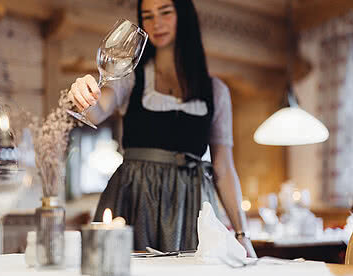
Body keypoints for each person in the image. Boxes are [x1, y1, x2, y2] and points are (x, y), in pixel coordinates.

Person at [68, 0, 256, 257]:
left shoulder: (216, 91)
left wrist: (241, 234)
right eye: (147, 16)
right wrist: (83, 95)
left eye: (165, 12)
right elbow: (99, 109)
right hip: (137, 196)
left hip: (193, 203)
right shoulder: (131, 77)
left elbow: (223, 167)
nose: (156, 23)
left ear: (184, 16)